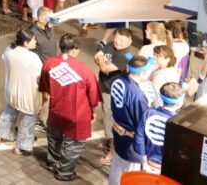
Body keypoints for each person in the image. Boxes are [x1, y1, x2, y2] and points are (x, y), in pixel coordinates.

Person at [39, 33, 102, 181]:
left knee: (54, 139)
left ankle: (52, 163)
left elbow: (44, 85)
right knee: (73, 145)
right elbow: (93, 96)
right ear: (75, 49)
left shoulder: (49, 63)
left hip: (55, 111)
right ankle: (64, 172)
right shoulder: (84, 70)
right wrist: (93, 111)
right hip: (77, 114)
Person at [108, 55, 158, 185]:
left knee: (116, 167)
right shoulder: (137, 94)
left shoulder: (118, 80)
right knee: (129, 175)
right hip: (131, 140)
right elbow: (141, 121)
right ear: (142, 72)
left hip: (117, 132)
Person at [0, 28, 43, 156]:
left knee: (9, 111)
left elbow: (4, 59)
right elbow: (40, 78)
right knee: (28, 119)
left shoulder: (9, 49)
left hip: (11, 90)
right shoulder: (33, 57)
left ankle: (1, 136)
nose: (35, 42)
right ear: (26, 43)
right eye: (33, 40)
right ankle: (21, 146)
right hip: (27, 95)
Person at [94, 27, 135, 166]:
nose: (117, 42)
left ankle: (112, 153)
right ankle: (111, 146)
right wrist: (101, 60)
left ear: (129, 42)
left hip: (114, 93)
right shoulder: (111, 45)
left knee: (111, 122)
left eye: (121, 41)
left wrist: (101, 60)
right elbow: (97, 58)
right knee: (108, 119)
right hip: (104, 88)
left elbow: (105, 69)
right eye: (116, 38)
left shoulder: (125, 55)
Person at [135, 83, 185, 174]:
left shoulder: (148, 113)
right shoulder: (179, 122)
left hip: (147, 164)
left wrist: (144, 163)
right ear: (179, 102)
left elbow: (139, 139)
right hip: (168, 168)